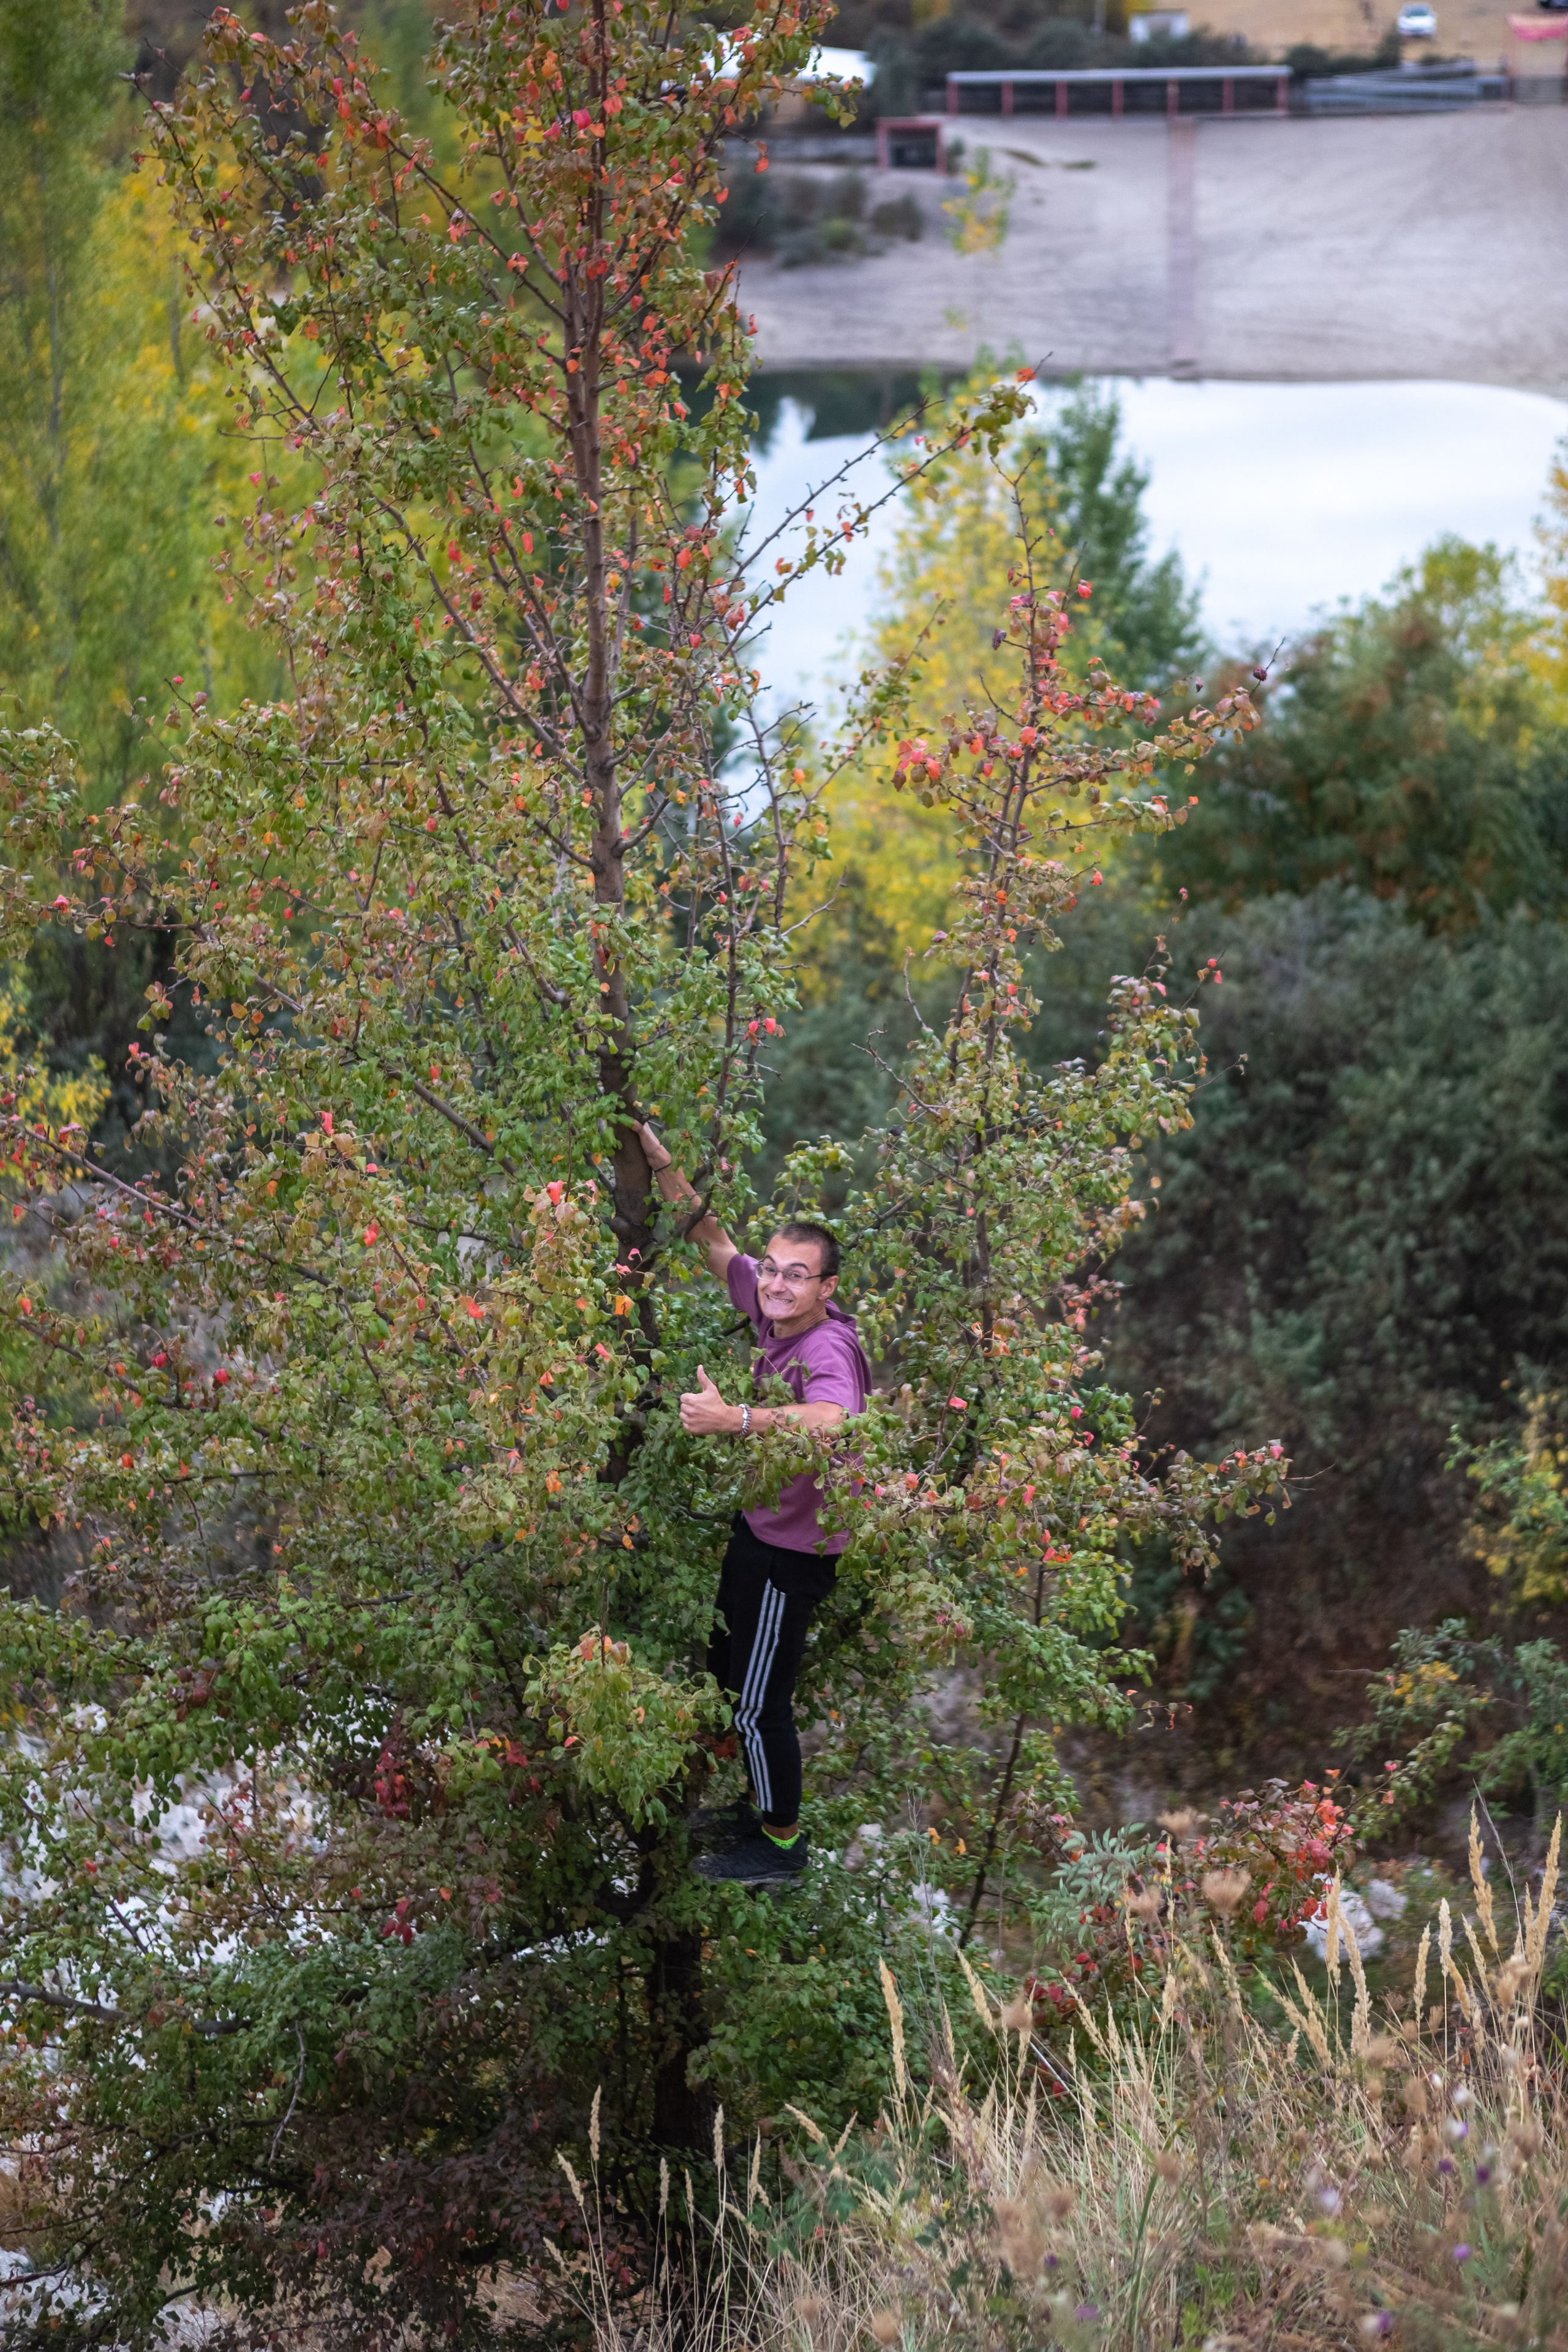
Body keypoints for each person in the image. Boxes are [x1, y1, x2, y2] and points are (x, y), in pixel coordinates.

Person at [639, 1123, 870, 1886]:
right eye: (771, 1269)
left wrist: (732, 1418)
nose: (774, 1283)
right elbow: (709, 1238)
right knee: (731, 1678)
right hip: (759, 1529)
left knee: (758, 1703)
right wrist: (658, 1158)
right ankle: (755, 1805)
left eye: (796, 1275)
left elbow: (833, 1421)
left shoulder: (824, 1347)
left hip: (794, 1553)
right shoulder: (771, 1310)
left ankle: (780, 1844)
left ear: (825, 1288)